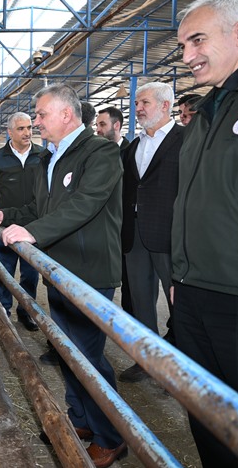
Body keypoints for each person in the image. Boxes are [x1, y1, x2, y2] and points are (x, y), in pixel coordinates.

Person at [0, 84, 126, 468]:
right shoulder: (52, 158)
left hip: (88, 268)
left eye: (42, 114)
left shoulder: (100, 152)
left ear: (67, 115)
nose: (36, 122)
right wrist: (10, 215)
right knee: (66, 348)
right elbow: (40, 206)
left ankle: (111, 436)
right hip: (61, 267)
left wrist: (36, 233)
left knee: (87, 356)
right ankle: (81, 420)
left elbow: (85, 204)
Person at [174, 0, 238, 467]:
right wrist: (178, 277)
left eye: (198, 40)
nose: (187, 55)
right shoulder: (206, 110)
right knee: (206, 419)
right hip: (193, 293)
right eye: (182, 45)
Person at [117, 82, 183, 383]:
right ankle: (147, 362)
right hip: (135, 235)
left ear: (165, 105)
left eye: (144, 103)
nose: (138, 108)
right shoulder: (133, 146)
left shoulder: (186, 140)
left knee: (179, 305)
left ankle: (180, 370)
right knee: (141, 302)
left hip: (170, 236)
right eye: (137, 103)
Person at [0, 112, 45, 331]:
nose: (27, 133)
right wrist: (4, 211)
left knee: (30, 272)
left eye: (29, 128)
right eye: (21, 129)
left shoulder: (42, 155)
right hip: (7, 225)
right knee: (5, 269)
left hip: (33, 225)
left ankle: (26, 312)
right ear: (10, 132)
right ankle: (3, 312)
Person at [96, 106, 133, 319]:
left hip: (127, 228)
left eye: (102, 125)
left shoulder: (130, 151)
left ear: (116, 125)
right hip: (105, 228)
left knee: (131, 286)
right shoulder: (97, 152)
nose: (98, 130)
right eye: (97, 125)